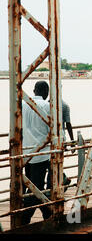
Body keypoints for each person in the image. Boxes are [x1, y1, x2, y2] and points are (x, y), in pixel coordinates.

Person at [22, 81, 52, 224]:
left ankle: (47, 213)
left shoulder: (22, 104)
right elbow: (53, 130)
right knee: (37, 188)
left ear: (34, 91)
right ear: (46, 91)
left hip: (25, 153)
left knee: (31, 185)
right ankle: (24, 218)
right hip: (42, 153)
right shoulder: (47, 106)